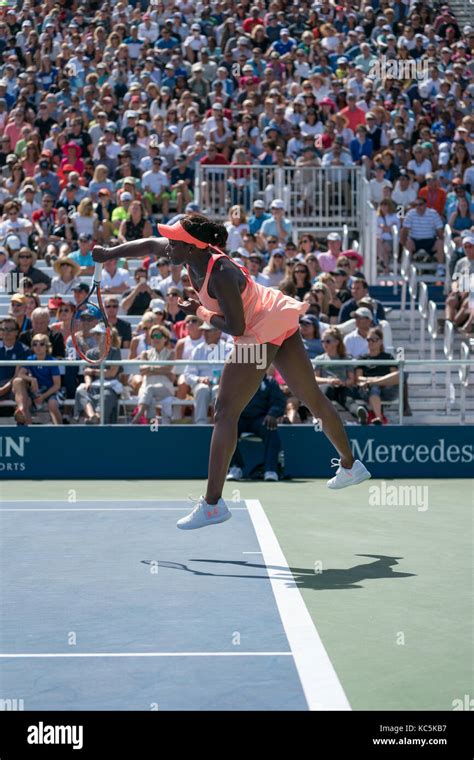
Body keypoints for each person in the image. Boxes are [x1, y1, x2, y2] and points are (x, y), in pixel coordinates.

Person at [92, 213, 371, 529]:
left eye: (174, 240)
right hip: (276, 313)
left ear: (194, 246)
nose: (167, 245)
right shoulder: (186, 254)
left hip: (258, 328)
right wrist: (108, 253)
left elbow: (236, 326)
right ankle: (351, 465)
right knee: (311, 397)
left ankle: (212, 504)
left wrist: (198, 312)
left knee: (224, 412)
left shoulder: (221, 273)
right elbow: (148, 245)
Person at [226, 372, 286, 482]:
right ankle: (235, 467)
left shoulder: (270, 382)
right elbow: (226, 399)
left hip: (260, 419)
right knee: (227, 429)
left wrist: (272, 414)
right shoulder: (236, 380)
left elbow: (278, 401)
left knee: (271, 429)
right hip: (239, 417)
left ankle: (271, 470)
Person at [13, 332, 62, 425]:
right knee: (26, 403)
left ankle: (59, 430)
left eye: (42, 344)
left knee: (52, 404)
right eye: (35, 344)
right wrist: (32, 379)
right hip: (35, 392)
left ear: (47, 346)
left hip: (50, 391)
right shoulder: (30, 359)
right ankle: (29, 432)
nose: (38, 346)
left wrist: (43, 396)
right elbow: (20, 374)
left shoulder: (51, 361)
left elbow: (57, 385)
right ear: (32, 347)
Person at [131, 324, 176, 424]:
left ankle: (139, 415)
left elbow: (168, 369)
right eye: (153, 336)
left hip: (165, 389)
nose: (155, 339)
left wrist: (150, 368)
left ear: (165, 339)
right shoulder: (145, 354)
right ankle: (151, 428)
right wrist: (162, 370)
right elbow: (143, 370)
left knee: (149, 390)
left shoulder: (171, 353)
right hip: (147, 388)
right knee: (149, 396)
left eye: (159, 336)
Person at [354, 326, 399, 425]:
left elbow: (395, 376)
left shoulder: (388, 357)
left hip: (387, 390)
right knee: (374, 388)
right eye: (369, 339)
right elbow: (358, 378)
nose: (371, 342)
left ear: (381, 341)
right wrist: (372, 381)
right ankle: (379, 418)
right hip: (368, 390)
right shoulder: (362, 358)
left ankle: (376, 416)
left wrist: (375, 381)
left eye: (374, 339)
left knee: (400, 375)